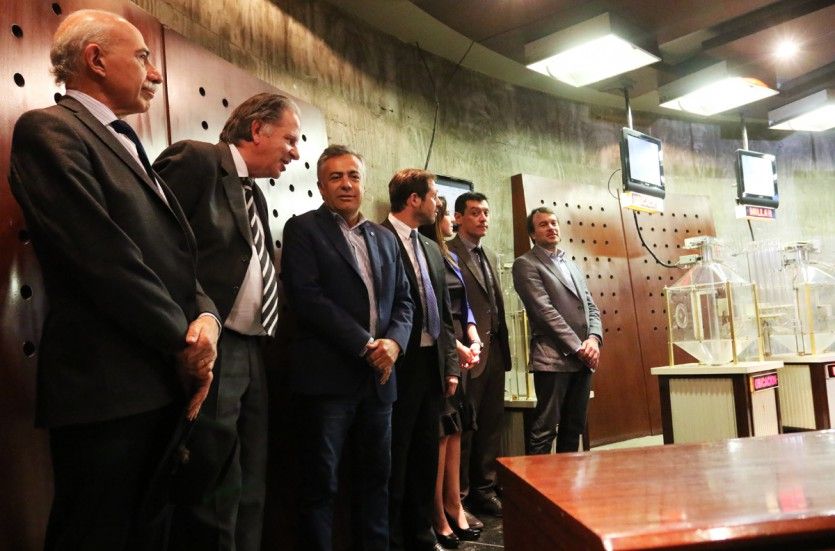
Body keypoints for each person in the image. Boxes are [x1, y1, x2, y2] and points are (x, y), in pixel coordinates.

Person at [8, 9, 220, 549]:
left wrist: (206, 318)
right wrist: (184, 343)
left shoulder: (127, 142)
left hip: (158, 385)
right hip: (106, 391)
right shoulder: (49, 130)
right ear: (96, 60)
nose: (156, 73)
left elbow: (176, 255)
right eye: (144, 57)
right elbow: (102, 257)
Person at [152, 93, 301, 550]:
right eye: (290, 139)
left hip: (254, 350)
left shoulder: (253, 192)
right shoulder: (196, 160)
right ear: (257, 129)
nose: (295, 153)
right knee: (212, 486)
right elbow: (156, 244)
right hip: (213, 347)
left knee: (251, 483)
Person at [281, 145, 413, 551]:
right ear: (321, 186)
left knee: (377, 482)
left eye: (353, 176)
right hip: (328, 382)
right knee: (321, 485)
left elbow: (404, 301)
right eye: (335, 177)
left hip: (380, 382)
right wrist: (366, 344)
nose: (346, 184)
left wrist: (394, 343)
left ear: (363, 183)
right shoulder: (303, 229)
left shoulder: (384, 238)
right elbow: (307, 298)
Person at [381, 169, 459, 551]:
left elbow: (444, 313)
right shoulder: (377, 238)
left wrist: (451, 365)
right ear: (414, 199)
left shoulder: (429, 246)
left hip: (432, 365)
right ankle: (395, 540)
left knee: (426, 454)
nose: (438, 203)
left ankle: (422, 536)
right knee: (396, 457)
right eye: (434, 195)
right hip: (398, 365)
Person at [418, 197, 482, 547]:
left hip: (462, 349)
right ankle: (437, 514)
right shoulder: (423, 251)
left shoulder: (448, 254)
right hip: (442, 348)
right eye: (445, 214)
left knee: (457, 428)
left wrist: (473, 336)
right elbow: (432, 310)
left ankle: (454, 503)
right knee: (440, 432)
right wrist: (457, 346)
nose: (451, 222)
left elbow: (464, 305)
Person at [511, 207, 602, 454]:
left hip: (583, 360)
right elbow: (544, 312)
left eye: (553, 223)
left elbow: (590, 306)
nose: (551, 228)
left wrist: (594, 340)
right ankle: (536, 480)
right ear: (532, 234)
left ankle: (567, 480)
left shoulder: (570, 264)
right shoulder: (525, 264)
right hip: (552, 360)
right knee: (545, 430)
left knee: (574, 429)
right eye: (543, 224)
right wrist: (578, 347)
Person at [447, 192, 511, 520]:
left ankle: (485, 489)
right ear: (458, 217)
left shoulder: (489, 254)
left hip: (494, 349)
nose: (483, 218)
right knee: (466, 428)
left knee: (490, 425)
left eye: (486, 212)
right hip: (467, 353)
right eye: (475, 212)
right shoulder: (448, 252)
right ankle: (461, 496)